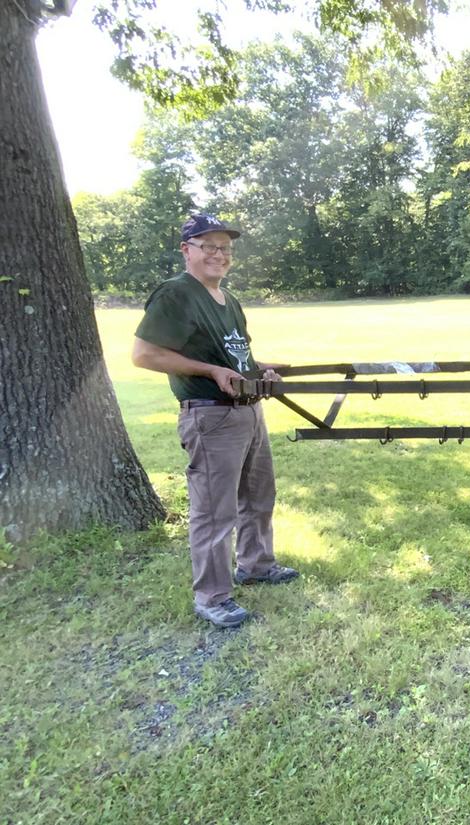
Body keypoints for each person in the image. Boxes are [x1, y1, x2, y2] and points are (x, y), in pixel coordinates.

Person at [132, 214, 299, 628]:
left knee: (259, 495)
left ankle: (256, 565)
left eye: (225, 248)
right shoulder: (177, 294)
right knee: (214, 511)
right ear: (187, 249)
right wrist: (210, 372)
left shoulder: (228, 299)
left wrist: (259, 368)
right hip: (210, 415)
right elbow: (144, 354)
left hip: (248, 411)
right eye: (208, 246)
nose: (219, 255)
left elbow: (233, 357)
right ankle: (212, 596)